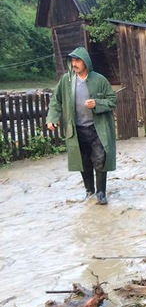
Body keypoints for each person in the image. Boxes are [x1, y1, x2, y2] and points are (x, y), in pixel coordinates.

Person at [46, 47, 117, 205]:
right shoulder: (66, 80)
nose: (74, 63)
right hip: (77, 130)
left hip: (97, 128)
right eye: (72, 60)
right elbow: (55, 100)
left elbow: (112, 100)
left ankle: (101, 193)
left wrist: (97, 103)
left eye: (77, 60)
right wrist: (52, 118)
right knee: (83, 162)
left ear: (86, 62)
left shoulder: (99, 80)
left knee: (100, 159)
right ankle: (89, 191)